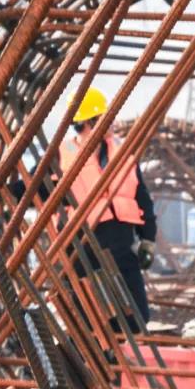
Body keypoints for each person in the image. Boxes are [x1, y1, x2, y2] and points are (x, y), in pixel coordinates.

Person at [60, 87, 157, 331]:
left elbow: (142, 198)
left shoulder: (121, 152)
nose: (112, 123)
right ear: (88, 123)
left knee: (137, 316)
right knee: (87, 320)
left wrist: (148, 241)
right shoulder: (63, 157)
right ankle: (95, 363)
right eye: (105, 117)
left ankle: (115, 362)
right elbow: (33, 188)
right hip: (83, 247)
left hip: (120, 247)